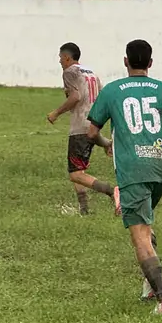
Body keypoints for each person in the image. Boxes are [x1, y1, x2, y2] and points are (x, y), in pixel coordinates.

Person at [87, 39, 162, 316]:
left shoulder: (112, 90)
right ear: (151, 63)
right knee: (146, 219)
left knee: (140, 237)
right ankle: (148, 285)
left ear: (125, 61)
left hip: (134, 168)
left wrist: (106, 142)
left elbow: (89, 132)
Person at [47, 42, 117, 215]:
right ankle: (84, 210)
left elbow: (75, 97)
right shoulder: (91, 73)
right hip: (93, 123)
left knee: (75, 174)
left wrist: (56, 112)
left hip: (80, 127)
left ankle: (112, 191)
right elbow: (101, 97)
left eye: (60, 58)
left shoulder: (70, 72)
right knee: (78, 169)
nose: (60, 61)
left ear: (67, 57)